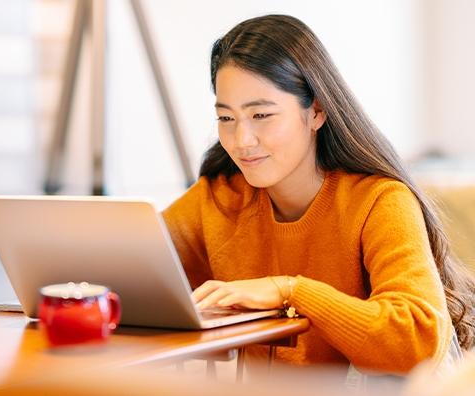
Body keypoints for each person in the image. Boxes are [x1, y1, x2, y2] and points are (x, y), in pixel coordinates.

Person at [162, 14, 475, 376]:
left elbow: (417, 340)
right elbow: (135, 265)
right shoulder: (220, 197)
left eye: (261, 115)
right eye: (226, 119)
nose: (241, 141)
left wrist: (290, 291)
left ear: (317, 111)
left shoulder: (379, 200)